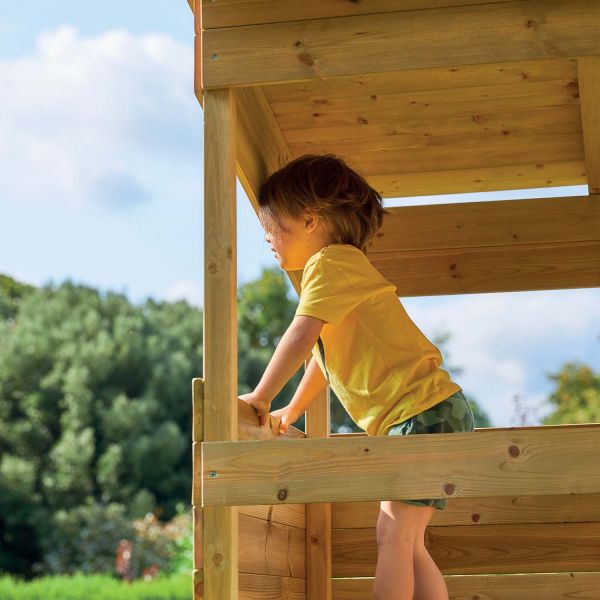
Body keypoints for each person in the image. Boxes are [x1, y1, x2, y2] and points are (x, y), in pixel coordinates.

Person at [239, 153, 475, 600]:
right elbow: (324, 358)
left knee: (393, 537)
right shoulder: (337, 271)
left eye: (273, 226)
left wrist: (262, 396)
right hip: (432, 412)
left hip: (420, 412)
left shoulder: (330, 264)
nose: (267, 237)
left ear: (310, 221)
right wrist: (294, 406)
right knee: (408, 543)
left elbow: (302, 335)